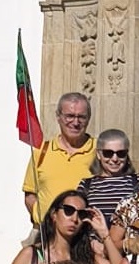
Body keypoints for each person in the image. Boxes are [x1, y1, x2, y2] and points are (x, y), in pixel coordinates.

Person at [22, 92, 96, 226]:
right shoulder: (41, 152)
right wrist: (40, 219)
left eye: (81, 117)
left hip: (86, 235)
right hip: (47, 235)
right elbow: (30, 193)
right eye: (70, 116)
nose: (76, 122)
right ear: (58, 117)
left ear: (89, 119)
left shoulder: (101, 152)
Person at [76, 129, 139, 227]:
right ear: (99, 154)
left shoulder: (138, 182)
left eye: (121, 153)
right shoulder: (86, 185)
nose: (115, 159)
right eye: (108, 153)